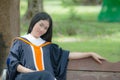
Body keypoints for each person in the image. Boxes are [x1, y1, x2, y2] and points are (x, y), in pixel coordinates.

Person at [6, 12, 105, 80]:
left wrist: (89, 53)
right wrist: (32, 72)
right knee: (46, 74)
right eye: (41, 25)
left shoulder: (48, 46)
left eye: (45, 28)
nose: (42, 29)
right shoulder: (20, 42)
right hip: (25, 78)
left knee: (46, 75)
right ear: (34, 22)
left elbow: (67, 55)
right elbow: (13, 63)